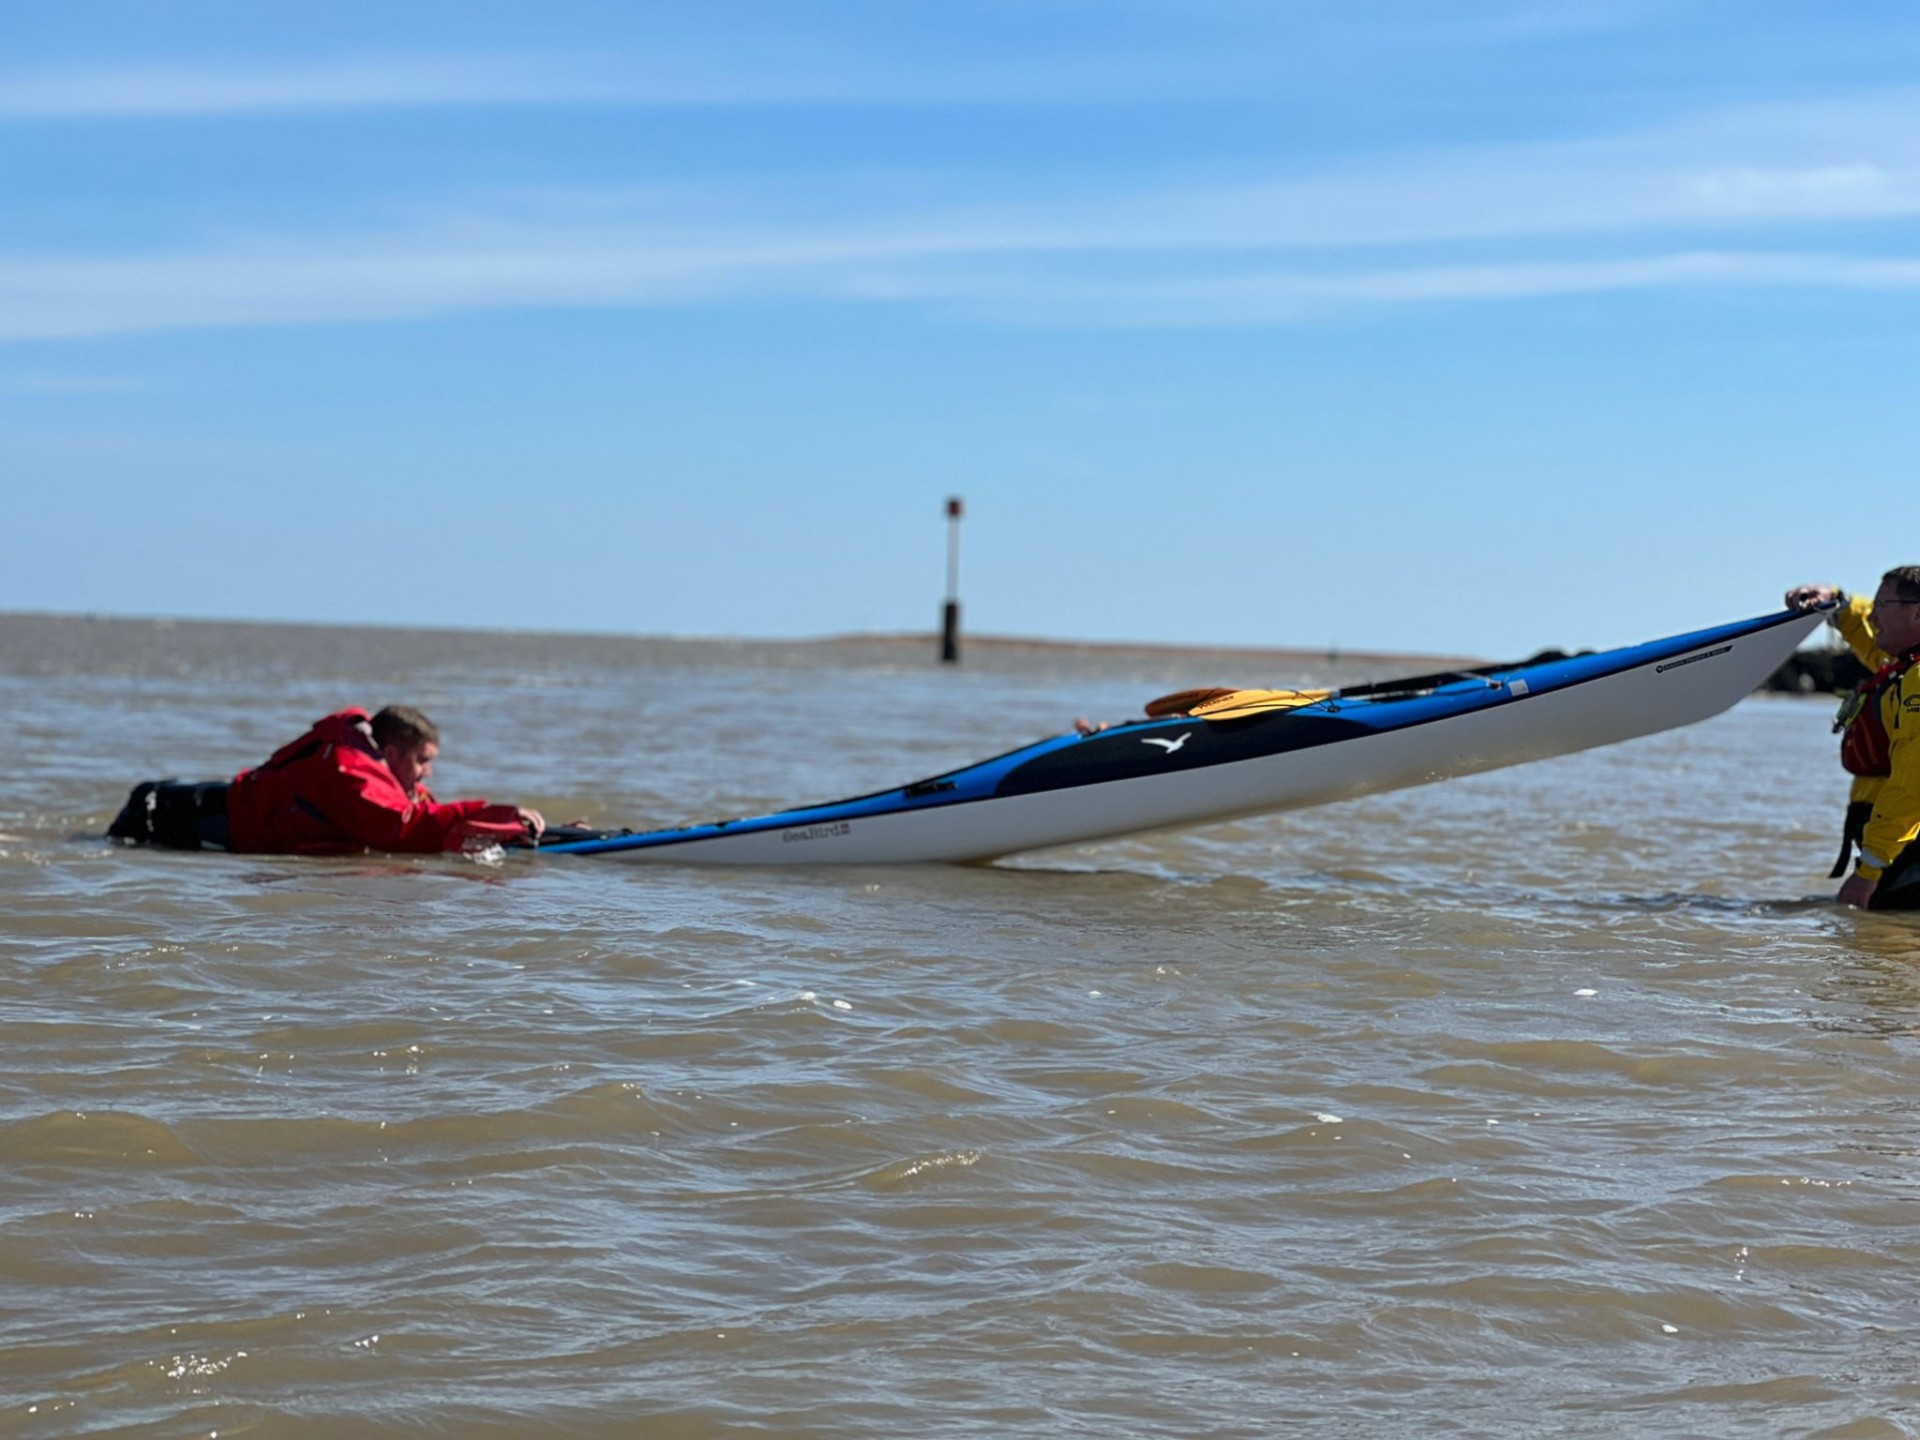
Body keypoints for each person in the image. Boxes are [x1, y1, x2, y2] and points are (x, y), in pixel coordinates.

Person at [109, 705, 544, 855]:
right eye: (421, 760)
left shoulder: (379, 773)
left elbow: (424, 810)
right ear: (390, 754)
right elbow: (403, 828)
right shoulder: (350, 774)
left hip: (224, 804)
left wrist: (522, 831)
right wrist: (501, 815)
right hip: (199, 819)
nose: (428, 772)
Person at [1787, 569, 1920, 909]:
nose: (1873, 616)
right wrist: (1836, 601)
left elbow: (1914, 783)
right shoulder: (1904, 664)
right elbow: (1869, 638)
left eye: (1881, 606)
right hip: (1895, 845)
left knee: (1885, 947)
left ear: (1916, 613)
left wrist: (1870, 868)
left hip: (1903, 848)